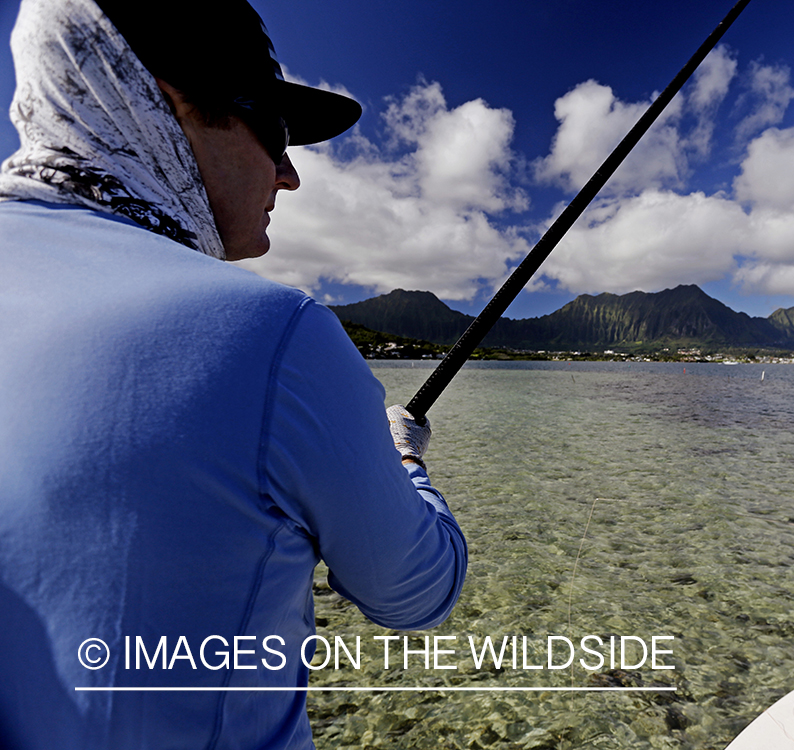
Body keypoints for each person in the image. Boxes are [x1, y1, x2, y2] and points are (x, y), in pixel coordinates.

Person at [0, 1, 467, 748]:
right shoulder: (273, 330)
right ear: (167, 101)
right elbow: (416, 592)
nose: (290, 175)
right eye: (274, 135)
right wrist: (404, 459)